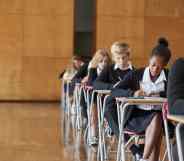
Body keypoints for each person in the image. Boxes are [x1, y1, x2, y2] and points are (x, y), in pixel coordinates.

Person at [113, 37, 171, 161]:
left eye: (159, 67)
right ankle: (145, 159)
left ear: (165, 66)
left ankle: (144, 158)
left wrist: (160, 95)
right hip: (136, 117)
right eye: (153, 65)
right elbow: (115, 91)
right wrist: (133, 93)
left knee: (157, 118)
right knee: (157, 121)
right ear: (149, 60)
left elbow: (175, 94)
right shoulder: (136, 74)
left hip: (160, 118)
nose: (155, 69)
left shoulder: (169, 76)